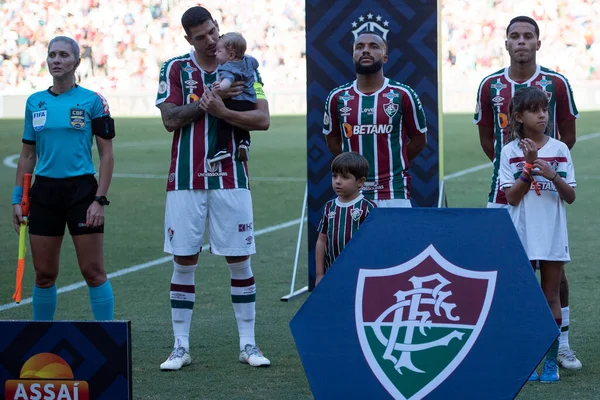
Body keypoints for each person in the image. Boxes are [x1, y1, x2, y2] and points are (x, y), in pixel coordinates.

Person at [155, 6, 271, 371]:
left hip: (232, 178)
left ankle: (248, 344)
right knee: (184, 260)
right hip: (186, 180)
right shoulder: (174, 69)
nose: (210, 40)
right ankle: (180, 346)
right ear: (188, 40)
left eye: (213, 31)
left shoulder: (246, 65)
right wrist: (204, 104)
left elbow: (263, 119)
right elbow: (170, 119)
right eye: (201, 36)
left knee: (240, 259)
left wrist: (221, 112)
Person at [474, 15, 581, 370]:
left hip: (543, 193)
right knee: (508, 271)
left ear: (538, 42)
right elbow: (488, 141)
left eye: (528, 36)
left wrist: (542, 172)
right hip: (503, 192)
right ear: (505, 43)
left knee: (555, 274)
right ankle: (511, 344)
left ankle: (561, 345)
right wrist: (516, 167)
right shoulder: (489, 85)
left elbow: (568, 135)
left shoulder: (556, 83)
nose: (521, 42)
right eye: (514, 36)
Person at [11, 36, 115, 321]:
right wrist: (17, 199)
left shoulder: (93, 101)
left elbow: (106, 155)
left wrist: (99, 200)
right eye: (52, 55)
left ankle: (106, 337)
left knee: (93, 272)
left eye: (63, 55)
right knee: (44, 275)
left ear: (76, 62)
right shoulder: (35, 102)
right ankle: (41, 339)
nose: (56, 60)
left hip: (82, 192)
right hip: (44, 193)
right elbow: (27, 155)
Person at [499, 86, 576, 382]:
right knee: (526, 298)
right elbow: (513, 198)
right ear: (519, 116)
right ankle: (529, 359)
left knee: (551, 295)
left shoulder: (559, 150)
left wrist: (553, 175)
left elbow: (570, 196)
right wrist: (529, 167)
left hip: (553, 233)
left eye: (544, 109)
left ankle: (551, 362)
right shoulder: (510, 152)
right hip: (523, 234)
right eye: (534, 110)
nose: (542, 114)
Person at [323, 31, 427, 207]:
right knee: (352, 236)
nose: (365, 50)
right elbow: (332, 141)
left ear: (385, 58)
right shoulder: (337, 97)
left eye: (373, 46)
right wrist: (352, 169)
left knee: (396, 236)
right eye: (359, 47)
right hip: (353, 193)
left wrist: (394, 163)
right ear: (353, 56)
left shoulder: (403, 94)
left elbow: (419, 139)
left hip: (394, 191)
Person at [315, 152, 376, 286]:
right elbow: (321, 240)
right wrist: (320, 274)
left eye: (345, 177)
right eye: (334, 176)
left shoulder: (368, 208)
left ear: (360, 182)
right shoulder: (329, 207)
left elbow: (373, 244)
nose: (338, 181)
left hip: (358, 274)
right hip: (332, 272)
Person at [208, 32, 259, 163]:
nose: (215, 54)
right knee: (243, 124)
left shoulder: (227, 67)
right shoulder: (248, 61)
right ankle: (244, 142)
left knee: (224, 121)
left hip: (234, 100)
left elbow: (228, 82)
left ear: (231, 55)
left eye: (219, 51)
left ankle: (222, 149)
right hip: (249, 102)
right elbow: (256, 63)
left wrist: (219, 86)